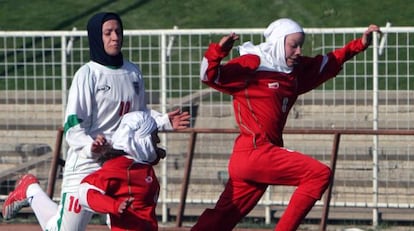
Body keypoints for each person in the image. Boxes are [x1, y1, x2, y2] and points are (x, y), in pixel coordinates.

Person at [2, 12, 190, 230]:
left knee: (125, 223)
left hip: (120, 162)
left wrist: (164, 121)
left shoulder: (133, 72)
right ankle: (30, 189)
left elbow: (139, 115)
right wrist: (91, 145)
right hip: (87, 162)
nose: (115, 37)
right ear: (96, 37)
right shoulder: (87, 75)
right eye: (108, 33)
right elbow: (72, 126)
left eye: (118, 32)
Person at [191, 18, 381, 231]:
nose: (299, 51)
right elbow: (207, 75)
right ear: (278, 42)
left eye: (301, 45)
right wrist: (218, 51)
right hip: (255, 152)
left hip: (257, 155)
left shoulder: (294, 72)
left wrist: (360, 45)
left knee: (221, 219)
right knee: (318, 174)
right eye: (293, 45)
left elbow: (329, 62)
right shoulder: (253, 64)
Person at [78, 111, 165, 231]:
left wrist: (156, 155)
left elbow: (139, 170)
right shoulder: (121, 166)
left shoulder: (135, 163)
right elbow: (84, 191)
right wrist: (114, 206)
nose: (158, 140)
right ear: (140, 138)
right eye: (154, 135)